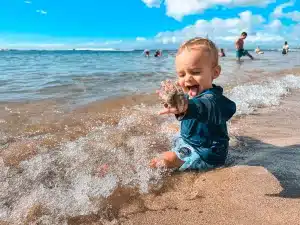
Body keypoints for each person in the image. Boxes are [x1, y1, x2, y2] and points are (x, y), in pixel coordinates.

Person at [150, 37, 236, 171]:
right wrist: (174, 103)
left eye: (195, 72)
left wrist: (187, 107)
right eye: (182, 74)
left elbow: (224, 108)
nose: (188, 78)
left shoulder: (214, 99)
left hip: (206, 153)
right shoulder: (188, 96)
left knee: (165, 160)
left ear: (215, 72)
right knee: (169, 132)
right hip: (190, 141)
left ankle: (131, 171)